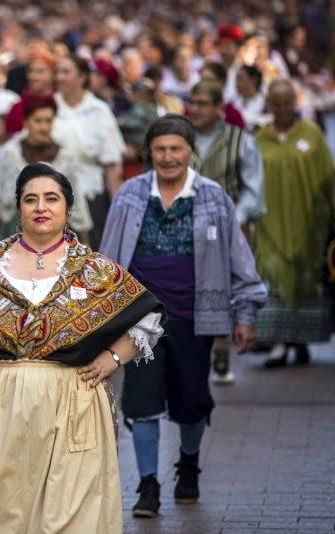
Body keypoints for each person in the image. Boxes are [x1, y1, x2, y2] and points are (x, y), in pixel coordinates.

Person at [0, 163, 164, 533]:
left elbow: (148, 315)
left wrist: (112, 358)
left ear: (68, 208)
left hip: (69, 405)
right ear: (19, 209)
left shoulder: (95, 270)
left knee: (67, 511)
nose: (40, 207)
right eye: (31, 199)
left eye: (51, 199)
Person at [99, 115, 267, 518]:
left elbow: (240, 262)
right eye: (160, 149)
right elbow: (105, 264)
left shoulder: (213, 197)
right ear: (149, 153)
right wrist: (101, 318)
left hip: (196, 317)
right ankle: (147, 485)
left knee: (192, 403)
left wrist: (245, 315)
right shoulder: (129, 195)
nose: (168, 157)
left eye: (176, 149)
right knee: (141, 403)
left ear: (190, 151)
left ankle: (188, 464)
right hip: (140, 320)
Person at [187, 79, 266, 384]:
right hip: (187, 224)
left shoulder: (240, 140)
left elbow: (253, 188)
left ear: (219, 108)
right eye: (192, 103)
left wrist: (239, 217)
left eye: (202, 103)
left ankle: (221, 345)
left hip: (230, 226)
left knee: (228, 286)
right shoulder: (181, 138)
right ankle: (199, 347)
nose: (195, 109)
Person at [254, 80, 335, 367]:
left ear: (295, 103)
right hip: (269, 226)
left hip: (310, 227)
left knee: (305, 282)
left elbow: (329, 179)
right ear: (269, 105)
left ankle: (300, 341)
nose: (282, 109)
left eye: (287, 103)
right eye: (276, 104)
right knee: (273, 280)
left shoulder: (312, 137)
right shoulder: (260, 138)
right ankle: (278, 344)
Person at [0, 93, 92, 239]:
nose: (44, 127)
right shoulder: (11, 153)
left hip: (58, 233)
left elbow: (77, 200)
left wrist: (84, 240)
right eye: (38, 121)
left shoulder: (66, 155)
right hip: (16, 231)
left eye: (48, 121)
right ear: (26, 121)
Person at [52, 54, 125, 249]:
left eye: (66, 72)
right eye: (58, 72)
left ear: (82, 77)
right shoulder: (50, 106)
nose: (59, 77)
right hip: (54, 194)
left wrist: (117, 207)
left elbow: (111, 164)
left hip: (91, 193)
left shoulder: (99, 110)